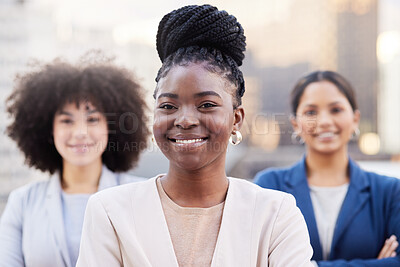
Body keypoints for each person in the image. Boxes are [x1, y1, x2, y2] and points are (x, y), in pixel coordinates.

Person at [76, 5, 314, 267]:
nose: (185, 119)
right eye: (168, 106)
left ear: (237, 118)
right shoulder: (110, 212)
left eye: (206, 105)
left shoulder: (276, 215)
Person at [0, 55, 150, 267]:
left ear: (111, 127)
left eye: (92, 119)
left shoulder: (141, 196)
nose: (80, 132)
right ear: (49, 130)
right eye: (66, 120)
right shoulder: (22, 203)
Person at [254, 70, 400, 266]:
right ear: (296, 124)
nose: (324, 122)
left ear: (355, 119)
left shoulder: (389, 192)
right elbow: (254, 260)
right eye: (311, 112)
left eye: (336, 110)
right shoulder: (270, 185)